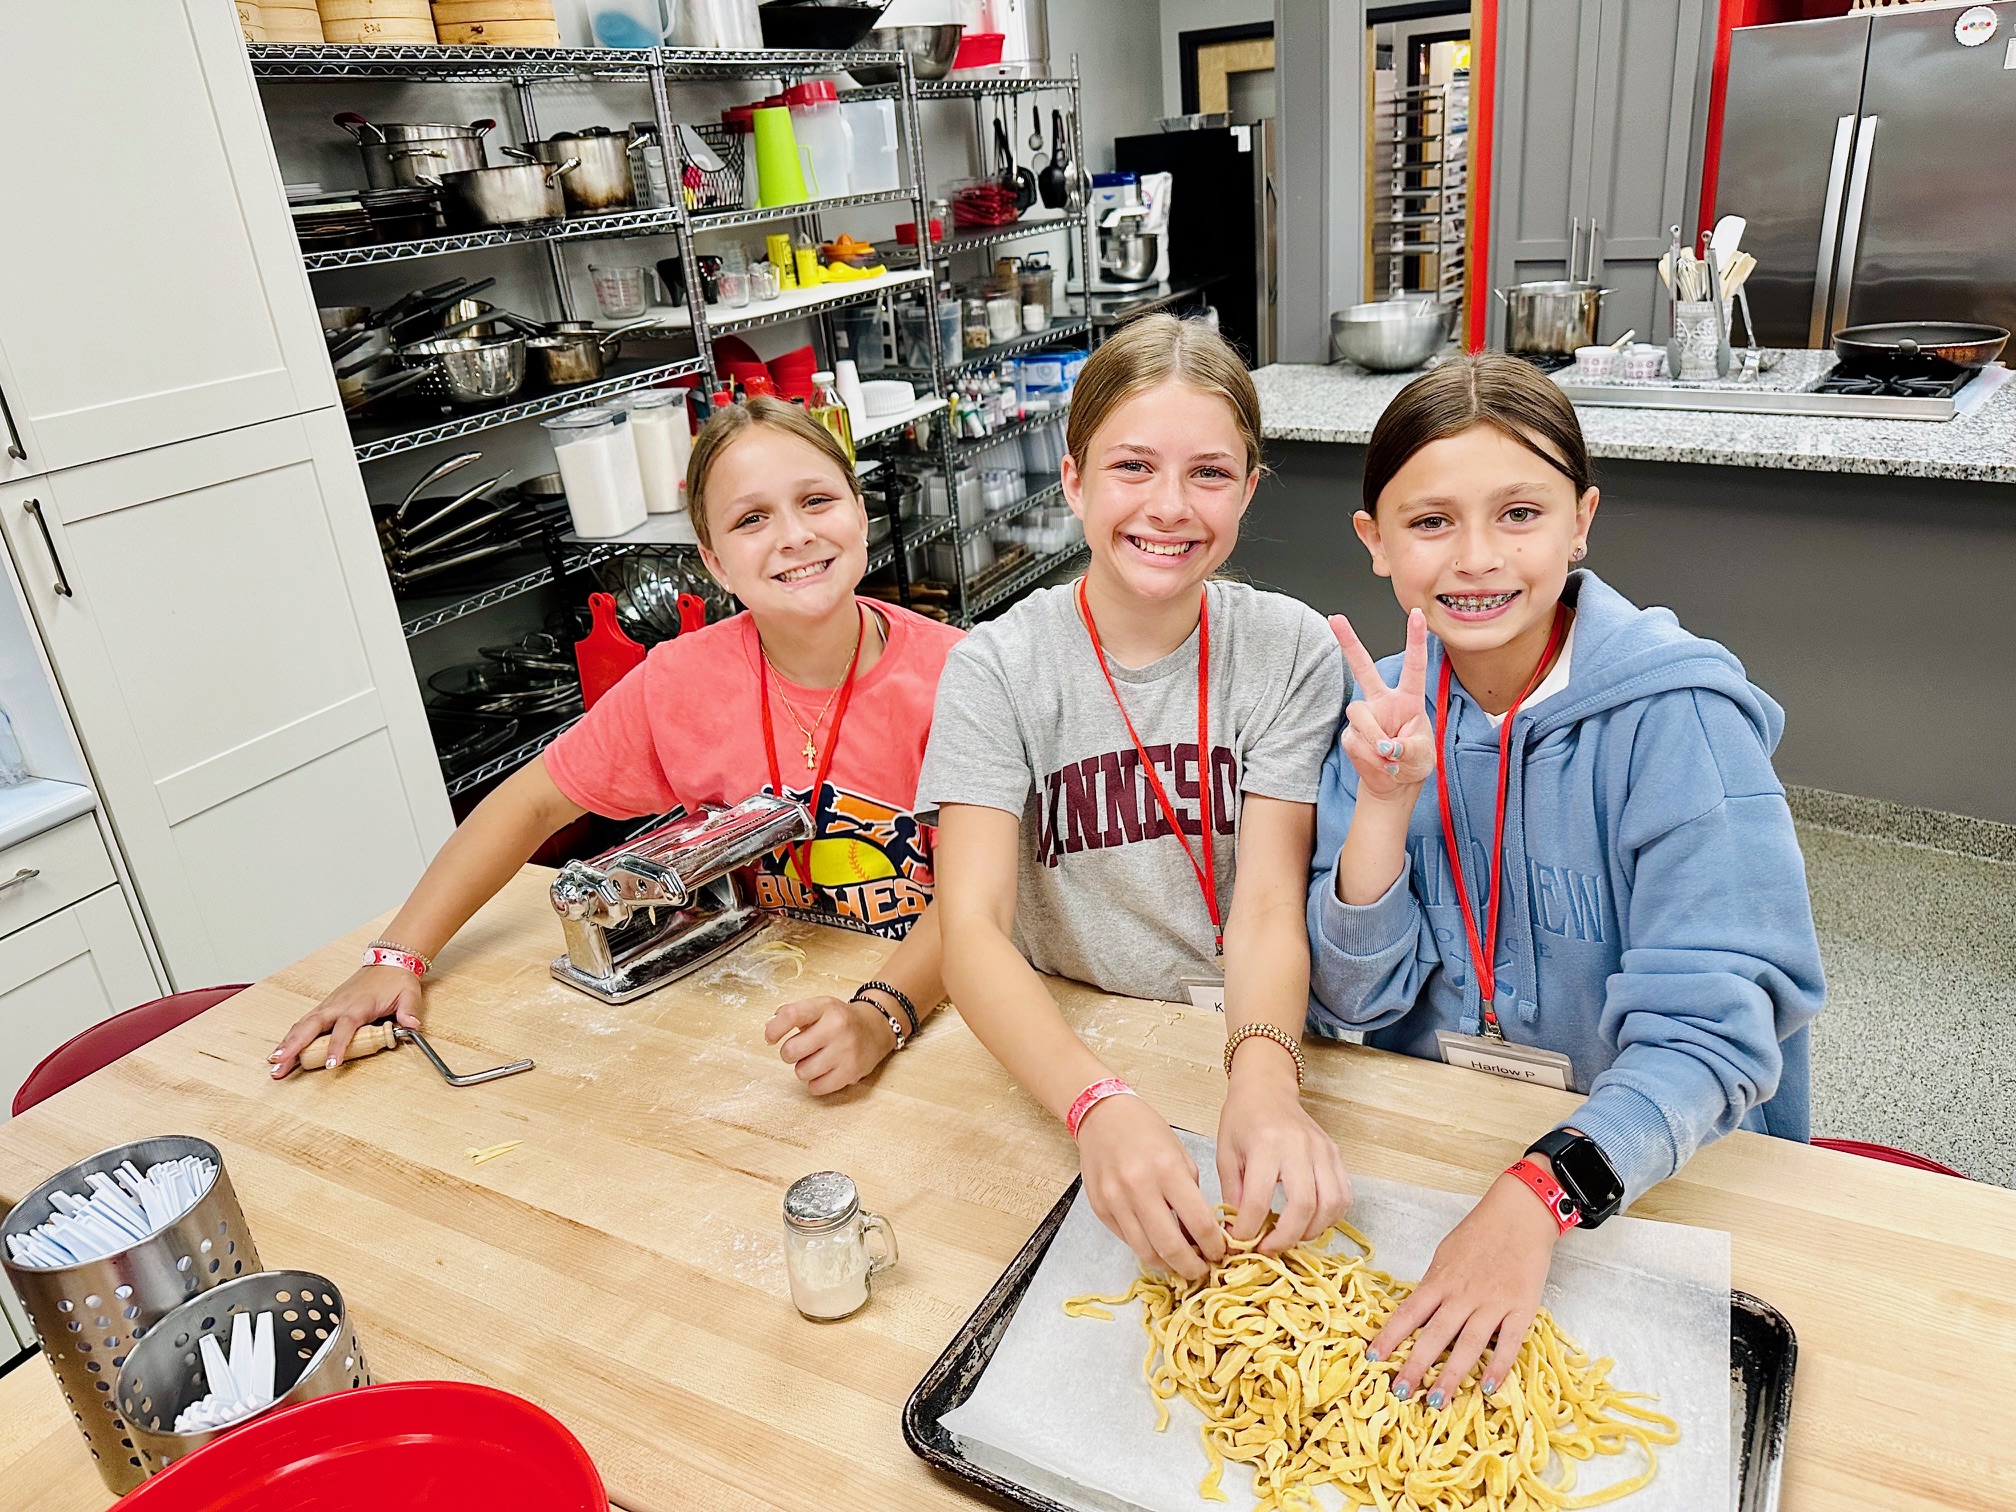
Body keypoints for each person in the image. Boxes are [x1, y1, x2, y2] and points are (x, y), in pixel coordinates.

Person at [1309, 354, 1826, 1407]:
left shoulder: (1678, 721)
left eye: (1520, 513)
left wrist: (1541, 1191)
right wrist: (1384, 804)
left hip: (1656, 1172)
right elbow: (1353, 1002)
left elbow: (1714, 1034)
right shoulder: (1379, 717)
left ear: (1581, 521)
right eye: (1430, 522)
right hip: (1450, 1157)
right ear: (1375, 542)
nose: (1478, 557)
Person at [271, 397, 963, 1094]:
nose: (794, 535)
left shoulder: (959, 676)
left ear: (860, 513)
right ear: (715, 562)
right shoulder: (680, 682)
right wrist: (396, 957)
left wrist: (880, 1017)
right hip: (767, 1007)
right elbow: (531, 803)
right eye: (751, 518)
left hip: (934, 1007)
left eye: (816, 500)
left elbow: (981, 896)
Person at [920, 315, 1349, 1282]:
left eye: (1209, 473)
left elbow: (1269, 901)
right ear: (1073, 480)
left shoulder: (1290, 650)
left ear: (1249, 490)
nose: (1169, 506)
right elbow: (972, 928)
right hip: (1068, 1044)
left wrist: (1266, 1081)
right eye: (1132, 467)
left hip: (1253, 1035)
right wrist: (1094, 1105)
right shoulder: (997, 668)